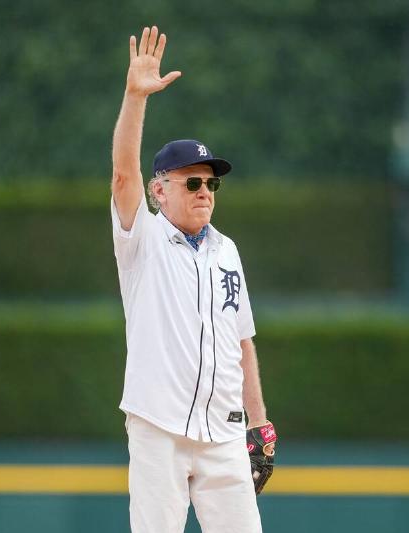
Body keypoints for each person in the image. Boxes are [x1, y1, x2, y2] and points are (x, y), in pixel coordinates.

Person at [110, 26, 276, 533]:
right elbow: (123, 175)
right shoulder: (143, 239)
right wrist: (136, 98)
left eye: (212, 182)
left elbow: (241, 341)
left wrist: (259, 421)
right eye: (194, 181)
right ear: (160, 190)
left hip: (224, 435)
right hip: (159, 428)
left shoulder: (227, 251)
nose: (206, 190)